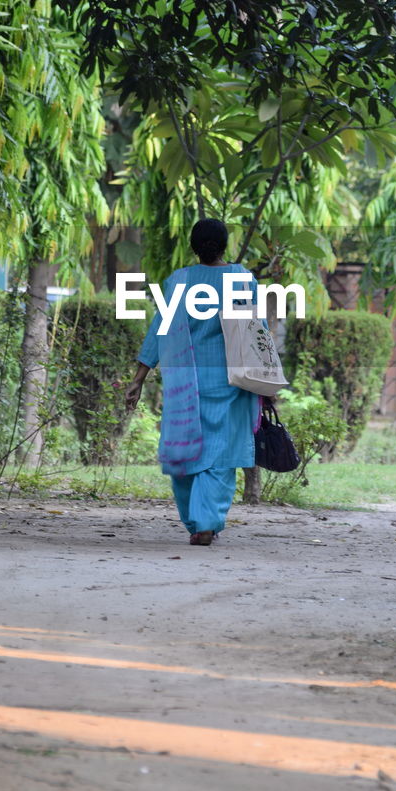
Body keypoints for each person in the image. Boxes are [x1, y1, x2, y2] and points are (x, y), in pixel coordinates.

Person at [125, 219, 260, 546]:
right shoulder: (241, 279)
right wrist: (265, 382)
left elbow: (160, 328)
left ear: (193, 246)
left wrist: (139, 377)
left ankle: (196, 521)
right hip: (230, 381)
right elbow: (256, 333)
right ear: (225, 244)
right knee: (219, 455)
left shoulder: (180, 281)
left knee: (186, 453)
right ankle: (206, 522)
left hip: (184, 384)